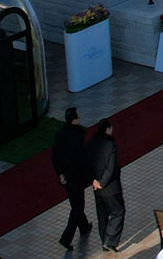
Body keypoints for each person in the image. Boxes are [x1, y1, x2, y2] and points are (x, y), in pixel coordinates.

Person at [52, 107, 91, 248]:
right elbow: (78, 159)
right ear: (74, 120)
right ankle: (66, 238)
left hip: (65, 178)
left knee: (75, 203)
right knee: (78, 206)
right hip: (75, 178)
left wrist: (61, 174)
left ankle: (84, 227)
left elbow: (55, 156)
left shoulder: (60, 134)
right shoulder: (78, 136)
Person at [89, 117, 125, 250]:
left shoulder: (91, 143)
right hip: (110, 187)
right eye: (111, 128)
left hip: (96, 187)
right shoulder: (111, 146)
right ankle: (109, 241)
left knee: (102, 214)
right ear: (107, 129)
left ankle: (104, 240)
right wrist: (102, 182)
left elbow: (87, 164)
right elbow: (111, 168)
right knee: (118, 211)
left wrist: (94, 180)